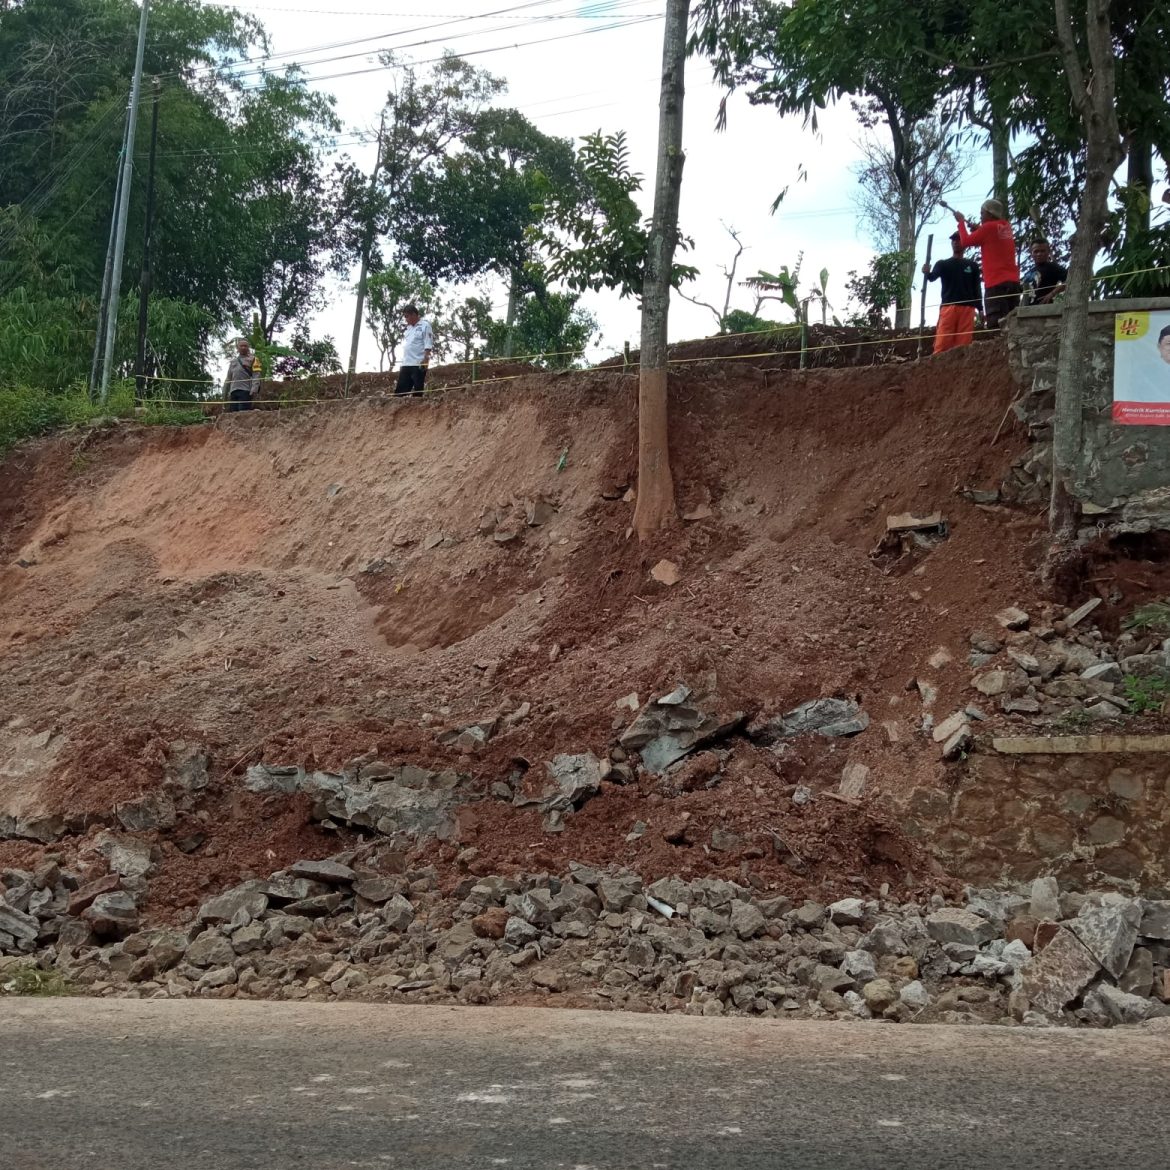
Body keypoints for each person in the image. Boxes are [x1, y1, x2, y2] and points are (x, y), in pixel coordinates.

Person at [953, 199, 1021, 330]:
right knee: (1012, 324)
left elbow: (965, 241)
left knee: (997, 325)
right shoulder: (1006, 226)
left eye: (982, 213)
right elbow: (993, 238)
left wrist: (961, 222)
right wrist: (978, 230)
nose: (980, 216)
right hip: (1013, 282)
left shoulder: (988, 228)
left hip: (996, 284)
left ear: (990, 214)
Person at [922, 232, 983, 354]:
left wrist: (980, 309)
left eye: (959, 239)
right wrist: (927, 272)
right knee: (942, 344)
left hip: (967, 308)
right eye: (953, 240)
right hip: (948, 307)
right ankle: (938, 369)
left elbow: (977, 288)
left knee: (964, 345)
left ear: (965, 243)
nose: (956, 242)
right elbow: (932, 277)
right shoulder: (943, 264)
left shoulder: (972, 266)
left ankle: (960, 371)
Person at [396, 303, 434, 397]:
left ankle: (418, 409)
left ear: (413, 314)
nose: (406, 319)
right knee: (400, 391)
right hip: (406, 363)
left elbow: (428, 344)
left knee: (417, 389)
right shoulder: (408, 329)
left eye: (407, 316)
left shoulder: (425, 325)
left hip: (418, 363)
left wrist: (426, 360)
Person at [1023, 239, 1068, 304]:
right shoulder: (1028, 272)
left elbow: (1070, 280)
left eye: (1042, 251)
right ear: (1031, 253)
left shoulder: (1053, 267)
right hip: (1026, 309)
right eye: (1036, 251)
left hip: (1044, 308)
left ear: (1048, 252)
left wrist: (1052, 294)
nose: (1039, 254)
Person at [222, 338, 260, 411]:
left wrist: (254, 389)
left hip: (246, 390)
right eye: (241, 346)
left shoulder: (254, 359)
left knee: (243, 412)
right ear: (237, 348)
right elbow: (228, 378)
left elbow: (256, 375)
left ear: (248, 347)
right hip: (233, 391)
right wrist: (225, 394)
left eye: (245, 346)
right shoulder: (233, 362)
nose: (243, 347)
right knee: (234, 413)